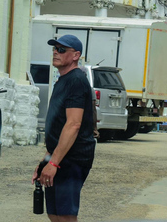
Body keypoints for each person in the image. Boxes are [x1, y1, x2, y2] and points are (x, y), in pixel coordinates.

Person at [33, 35, 96, 222]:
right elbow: (58, 127)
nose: (55, 52)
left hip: (72, 159)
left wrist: (53, 163)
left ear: (76, 55)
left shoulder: (76, 80)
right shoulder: (63, 80)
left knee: (66, 216)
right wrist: (44, 161)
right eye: (54, 49)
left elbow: (73, 124)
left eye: (61, 50)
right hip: (59, 157)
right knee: (54, 214)